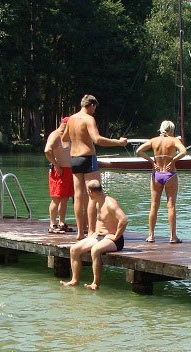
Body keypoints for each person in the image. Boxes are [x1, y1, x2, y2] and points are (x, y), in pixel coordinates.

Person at [60, 95, 128, 240]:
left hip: (74, 159)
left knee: (78, 196)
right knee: (93, 195)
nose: (94, 111)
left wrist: (77, 137)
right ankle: (90, 231)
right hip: (88, 158)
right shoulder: (89, 119)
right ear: (91, 105)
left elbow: (64, 138)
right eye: (95, 108)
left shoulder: (71, 119)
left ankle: (79, 232)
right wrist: (118, 142)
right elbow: (97, 139)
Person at [60, 179, 128, 291]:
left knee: (95, 250)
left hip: (114, 240)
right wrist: (93, 233)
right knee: (74, 249)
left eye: (87, 192)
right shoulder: (98, 202)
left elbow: (124, 220)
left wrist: (116, 236)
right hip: (99, 237)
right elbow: (101, 221)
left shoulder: (110, 203)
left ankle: (95, 283)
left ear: (90, 191)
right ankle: (74, 280)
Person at [135, 120, 186, 243]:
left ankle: (151, 235)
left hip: (156, 174)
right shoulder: (174, 140)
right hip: (170, 174)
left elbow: (139, 151)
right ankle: (173, 236)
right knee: (171, 206)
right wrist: (173, 161)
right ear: (172, 130)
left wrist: (152, 162)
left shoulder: (154, 140)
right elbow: (184, 152)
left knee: (154, 205)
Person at [44, 116, 74, 234]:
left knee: (65, 198)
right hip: (59, 170)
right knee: (56, 198)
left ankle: (62, 222)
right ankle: (52, 223)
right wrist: (56, 164)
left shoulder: (68, 136)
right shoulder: (55, 135)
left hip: (69, 170)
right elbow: (47, 151)